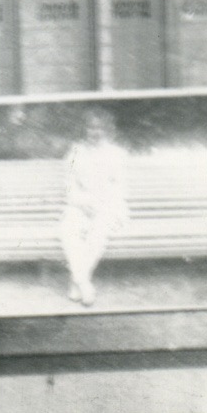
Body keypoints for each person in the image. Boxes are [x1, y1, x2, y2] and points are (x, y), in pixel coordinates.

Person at [59, 108, 127, 309]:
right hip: (80, 204)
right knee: (67, 230)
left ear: (108, 130)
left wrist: (100, 205)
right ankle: (84, 282)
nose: (95, 132)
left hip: (109, 205)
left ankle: (77, 281)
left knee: (99, 230)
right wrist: (82, 203)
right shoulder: (75, 152)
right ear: (84, 130)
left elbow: (119, 188)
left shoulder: (116, 154)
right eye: (90, 127)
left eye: (100, 128)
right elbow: (69, 186)